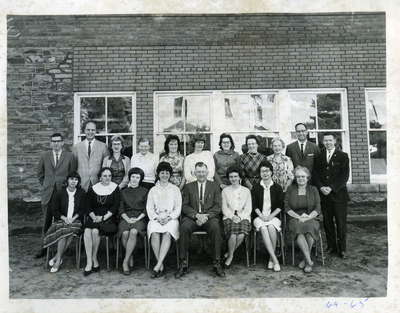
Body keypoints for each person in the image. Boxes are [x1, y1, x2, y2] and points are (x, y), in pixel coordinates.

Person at [176, 162, 225, 278]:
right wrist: (196, 215)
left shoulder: (214, 186)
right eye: (198, 172)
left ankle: (217, 263)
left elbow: (218, 206)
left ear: (207, 172)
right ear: (194, 173)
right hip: (193, 217)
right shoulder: (188, 186)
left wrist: (206, 216)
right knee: (184, 227)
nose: (201, 174)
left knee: (216, 227)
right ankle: (183, 263)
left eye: (203, 172)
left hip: (209, 217)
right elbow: (185, 206)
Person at [36, 133, 77, 258]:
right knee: (46, 222)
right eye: (53, 141)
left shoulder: (70, 156)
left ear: (62, 142)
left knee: (64, 220)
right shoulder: (44, 156)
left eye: (58, 141)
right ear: (50, 143)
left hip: (63, 194)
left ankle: (65, 248)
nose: (56, 143)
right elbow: (40, 174)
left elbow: (72, 174)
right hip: (48, 194)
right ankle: (44, 247)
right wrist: (47, 185)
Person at [313, 132, 350, 259]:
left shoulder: (343, 156)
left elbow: (344, 176)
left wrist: (332, 188)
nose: (327, 143)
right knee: (327, 222)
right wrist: (321, 187)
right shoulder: (319, 156)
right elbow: (315, 174)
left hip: (339, 195)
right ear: (323, 142)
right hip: (324, 196)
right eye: (325, 141)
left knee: (340, 223)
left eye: (330, 140)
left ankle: (342, 249)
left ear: (335, 141)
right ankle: (331, 247)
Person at [43, 172, 86, 272]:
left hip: (76, 220)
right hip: (61, 220)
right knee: (64, 234)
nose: (73, 181)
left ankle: (57, 259)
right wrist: (64, 218)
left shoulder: (81, 193)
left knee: (70, 232)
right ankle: (58, 259)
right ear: (67, 180)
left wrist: (73, 218)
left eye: (76, 179)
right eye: (71, 179)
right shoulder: (59, 193)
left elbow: (82, 210)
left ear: (78, 182)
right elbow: (55, 210)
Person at [146, 162, 182, 278]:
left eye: (167, 173)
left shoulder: (175, 189)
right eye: (162, 173)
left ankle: (158, 265)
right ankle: (160, 264)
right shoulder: (153, 190)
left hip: (171, 218)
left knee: (167, 233)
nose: (165, 175)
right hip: (156, 218)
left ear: (170, 174)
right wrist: (157, 218)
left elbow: (178, 208)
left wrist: (169, 218)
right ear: (158, 174)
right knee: (154, 233)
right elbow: (149, 208)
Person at [83, 167, 120, 276]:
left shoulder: (115, 188)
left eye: (109, 176)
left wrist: (103, 218)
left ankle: (94, 258)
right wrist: (94, 216)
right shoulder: (93, 188)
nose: (107, 178)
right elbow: (87, 205)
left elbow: (115, 207)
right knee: (87, 231)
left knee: (95, 231)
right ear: (100, 178)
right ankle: (90, 261)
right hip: (94, 216)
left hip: (109, 218)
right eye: (104, 176)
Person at [285, 166, 321, 273]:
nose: (300, 178)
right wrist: (299, 217)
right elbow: (287, 207)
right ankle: (309, 261)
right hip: (294, 217)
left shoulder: (313, 189)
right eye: (298, 177)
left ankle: (305, 260)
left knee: (310, 228)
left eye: (303, 176)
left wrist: (308, 217)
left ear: (308, 177)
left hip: (311, 217)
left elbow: (318, 208)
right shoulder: (290, 189)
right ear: (295, 178)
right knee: (298, 229)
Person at [251, 161, 284, 272]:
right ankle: (275, 259)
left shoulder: (277, 187)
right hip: (258, 217)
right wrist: (262, 216)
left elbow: (280, 206)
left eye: (267, 171)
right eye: (262, 171)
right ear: (260, 173)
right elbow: (254, 205)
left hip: (273, 216)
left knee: (271, 227)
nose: (265, 173)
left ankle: (271, 258)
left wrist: (270, 216)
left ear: (271, 172)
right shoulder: (255, 188)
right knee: (264, 228)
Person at [118, 167, 148, 275]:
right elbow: (121, 208)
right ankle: (130, 256)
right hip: (126, 217)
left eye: (137, 177)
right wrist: (127, 218)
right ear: (129, 178)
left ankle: (125, 262)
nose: (135, 179)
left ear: (141, 179)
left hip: (140, 217)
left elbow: (146, 209)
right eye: (133, 177)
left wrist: (137, 218)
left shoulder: (145, 191)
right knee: (125, 233)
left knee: (134, 232)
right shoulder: (123, 191)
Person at [221, 166, 252, 268]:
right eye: (231, 177)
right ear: (228, 178)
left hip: (244, 216)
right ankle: (230, 257)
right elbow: (224, 208)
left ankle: (229, 254)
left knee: (242, 234)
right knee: (233, 234)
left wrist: (241, 217)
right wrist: (231, 216)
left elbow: (248, 209)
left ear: (239, 177)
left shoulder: (246, 191)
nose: (233, 179)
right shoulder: (225, 191)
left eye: (235, 176)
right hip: (229, 217)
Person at [72, 121, 109, 191]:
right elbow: (74, 167)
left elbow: (106, 167)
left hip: (97, 183)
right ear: (84, 131)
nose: (90, 132)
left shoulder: (103, 146)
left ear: (95, 131)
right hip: (81, 184)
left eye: (93, 130)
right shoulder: (77, 147)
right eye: (88, 130)